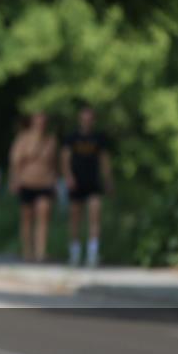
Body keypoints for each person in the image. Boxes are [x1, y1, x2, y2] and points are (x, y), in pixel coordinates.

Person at [62, 105, 114, 267]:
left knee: (95, 217)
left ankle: (92, 253)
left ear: (93, 121)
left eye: (89, 119)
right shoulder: (72, 138)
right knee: (75, 220)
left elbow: (104, 160)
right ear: (80, 120)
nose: (87, 122)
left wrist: (108, 180)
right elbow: (64, 159)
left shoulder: (99, 138)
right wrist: (68, 177)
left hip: (93, 183)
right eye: (84, 119)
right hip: (76, 183)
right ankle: (75, 253)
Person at [8, 113, 58, 262]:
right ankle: (27, 250)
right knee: (27, 217)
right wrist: (14, 180)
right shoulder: (23, 139)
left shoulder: (51, 140)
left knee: (44, 214)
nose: (41, 123)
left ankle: (41, 251)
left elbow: (54, 164)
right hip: (27, 182)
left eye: (43, 120)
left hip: (45, 183)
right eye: (38, 120)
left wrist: (55, 182)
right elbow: (15, 162)